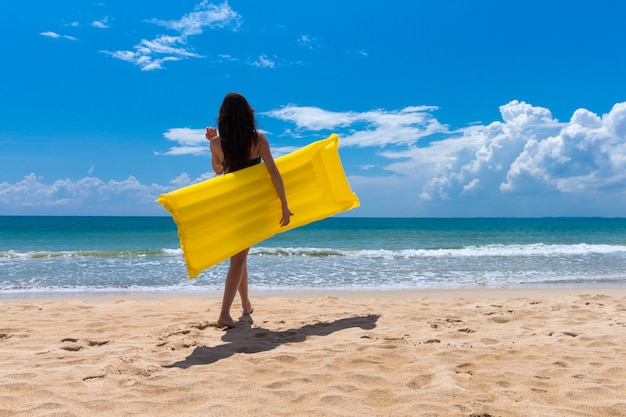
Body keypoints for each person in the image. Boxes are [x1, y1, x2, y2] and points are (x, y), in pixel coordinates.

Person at [205, 92, 292, 328]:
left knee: (240, 255)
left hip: (230, 204)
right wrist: (284, 203)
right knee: (239, 257)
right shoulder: (259, 140)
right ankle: (224, 314)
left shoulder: (216, 143)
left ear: (223, 117)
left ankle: (245, 305)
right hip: (250, 204)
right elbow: (273, 172)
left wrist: (212, 143)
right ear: (247, 115)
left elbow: (218, 170)